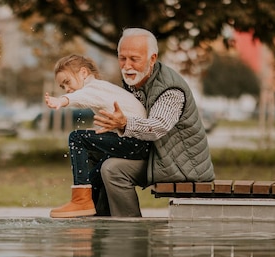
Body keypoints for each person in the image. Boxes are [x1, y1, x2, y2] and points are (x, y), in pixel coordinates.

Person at [90, 28, 215, 217]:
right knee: (94, 148)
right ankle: (97, 217)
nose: (126, 65)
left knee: (112, 169)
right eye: (122, 58)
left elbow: (157, 127)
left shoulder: (170, 89)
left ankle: (129, 230)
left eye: (134, 59)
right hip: (157, 156)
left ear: (152, 58)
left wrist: (124, 123)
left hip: (180, 165)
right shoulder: (136, 82)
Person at [44, 54, 149, 218]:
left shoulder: (94, 88)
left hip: (137, 142)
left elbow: (79, 98)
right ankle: (96, 219)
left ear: (83, 73)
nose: (67, 89)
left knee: (77, 138)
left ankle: (80, 200)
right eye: (62, 87)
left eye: (67, 82)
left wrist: (61, 100)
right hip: (136, 143)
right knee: (92, 179)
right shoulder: (102, 90)